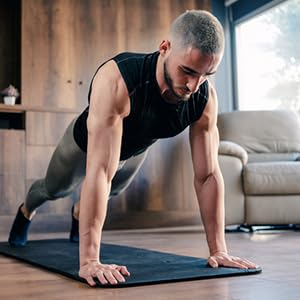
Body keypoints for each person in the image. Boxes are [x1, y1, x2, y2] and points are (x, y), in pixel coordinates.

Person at [8, 10, 258, 286]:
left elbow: (208, 175)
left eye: (206, 74)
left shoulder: (204, 97)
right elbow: (100, 170)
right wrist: (90, 261)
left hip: (136, 149)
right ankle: (26, 211)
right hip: (82, 144)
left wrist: (219, 250)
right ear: (164, 48)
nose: (192, 85)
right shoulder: (119, 78)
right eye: (187, 70)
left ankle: (80, 213)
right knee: (56, 188)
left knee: (113, 188)